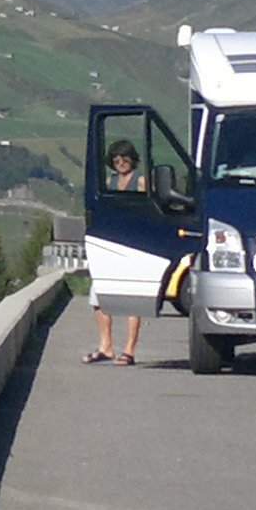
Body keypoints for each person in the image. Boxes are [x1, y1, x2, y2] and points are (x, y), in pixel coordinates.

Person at [89, 142, 152, 365]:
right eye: (116, 160)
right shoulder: (110, 182)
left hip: (134, 244)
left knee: (132, 298)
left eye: (124, 158)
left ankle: (129, 350)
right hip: (112, 244)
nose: (120, 163)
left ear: (132, 159)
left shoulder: (141, 182)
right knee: (98, 295)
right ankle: (105, 345)